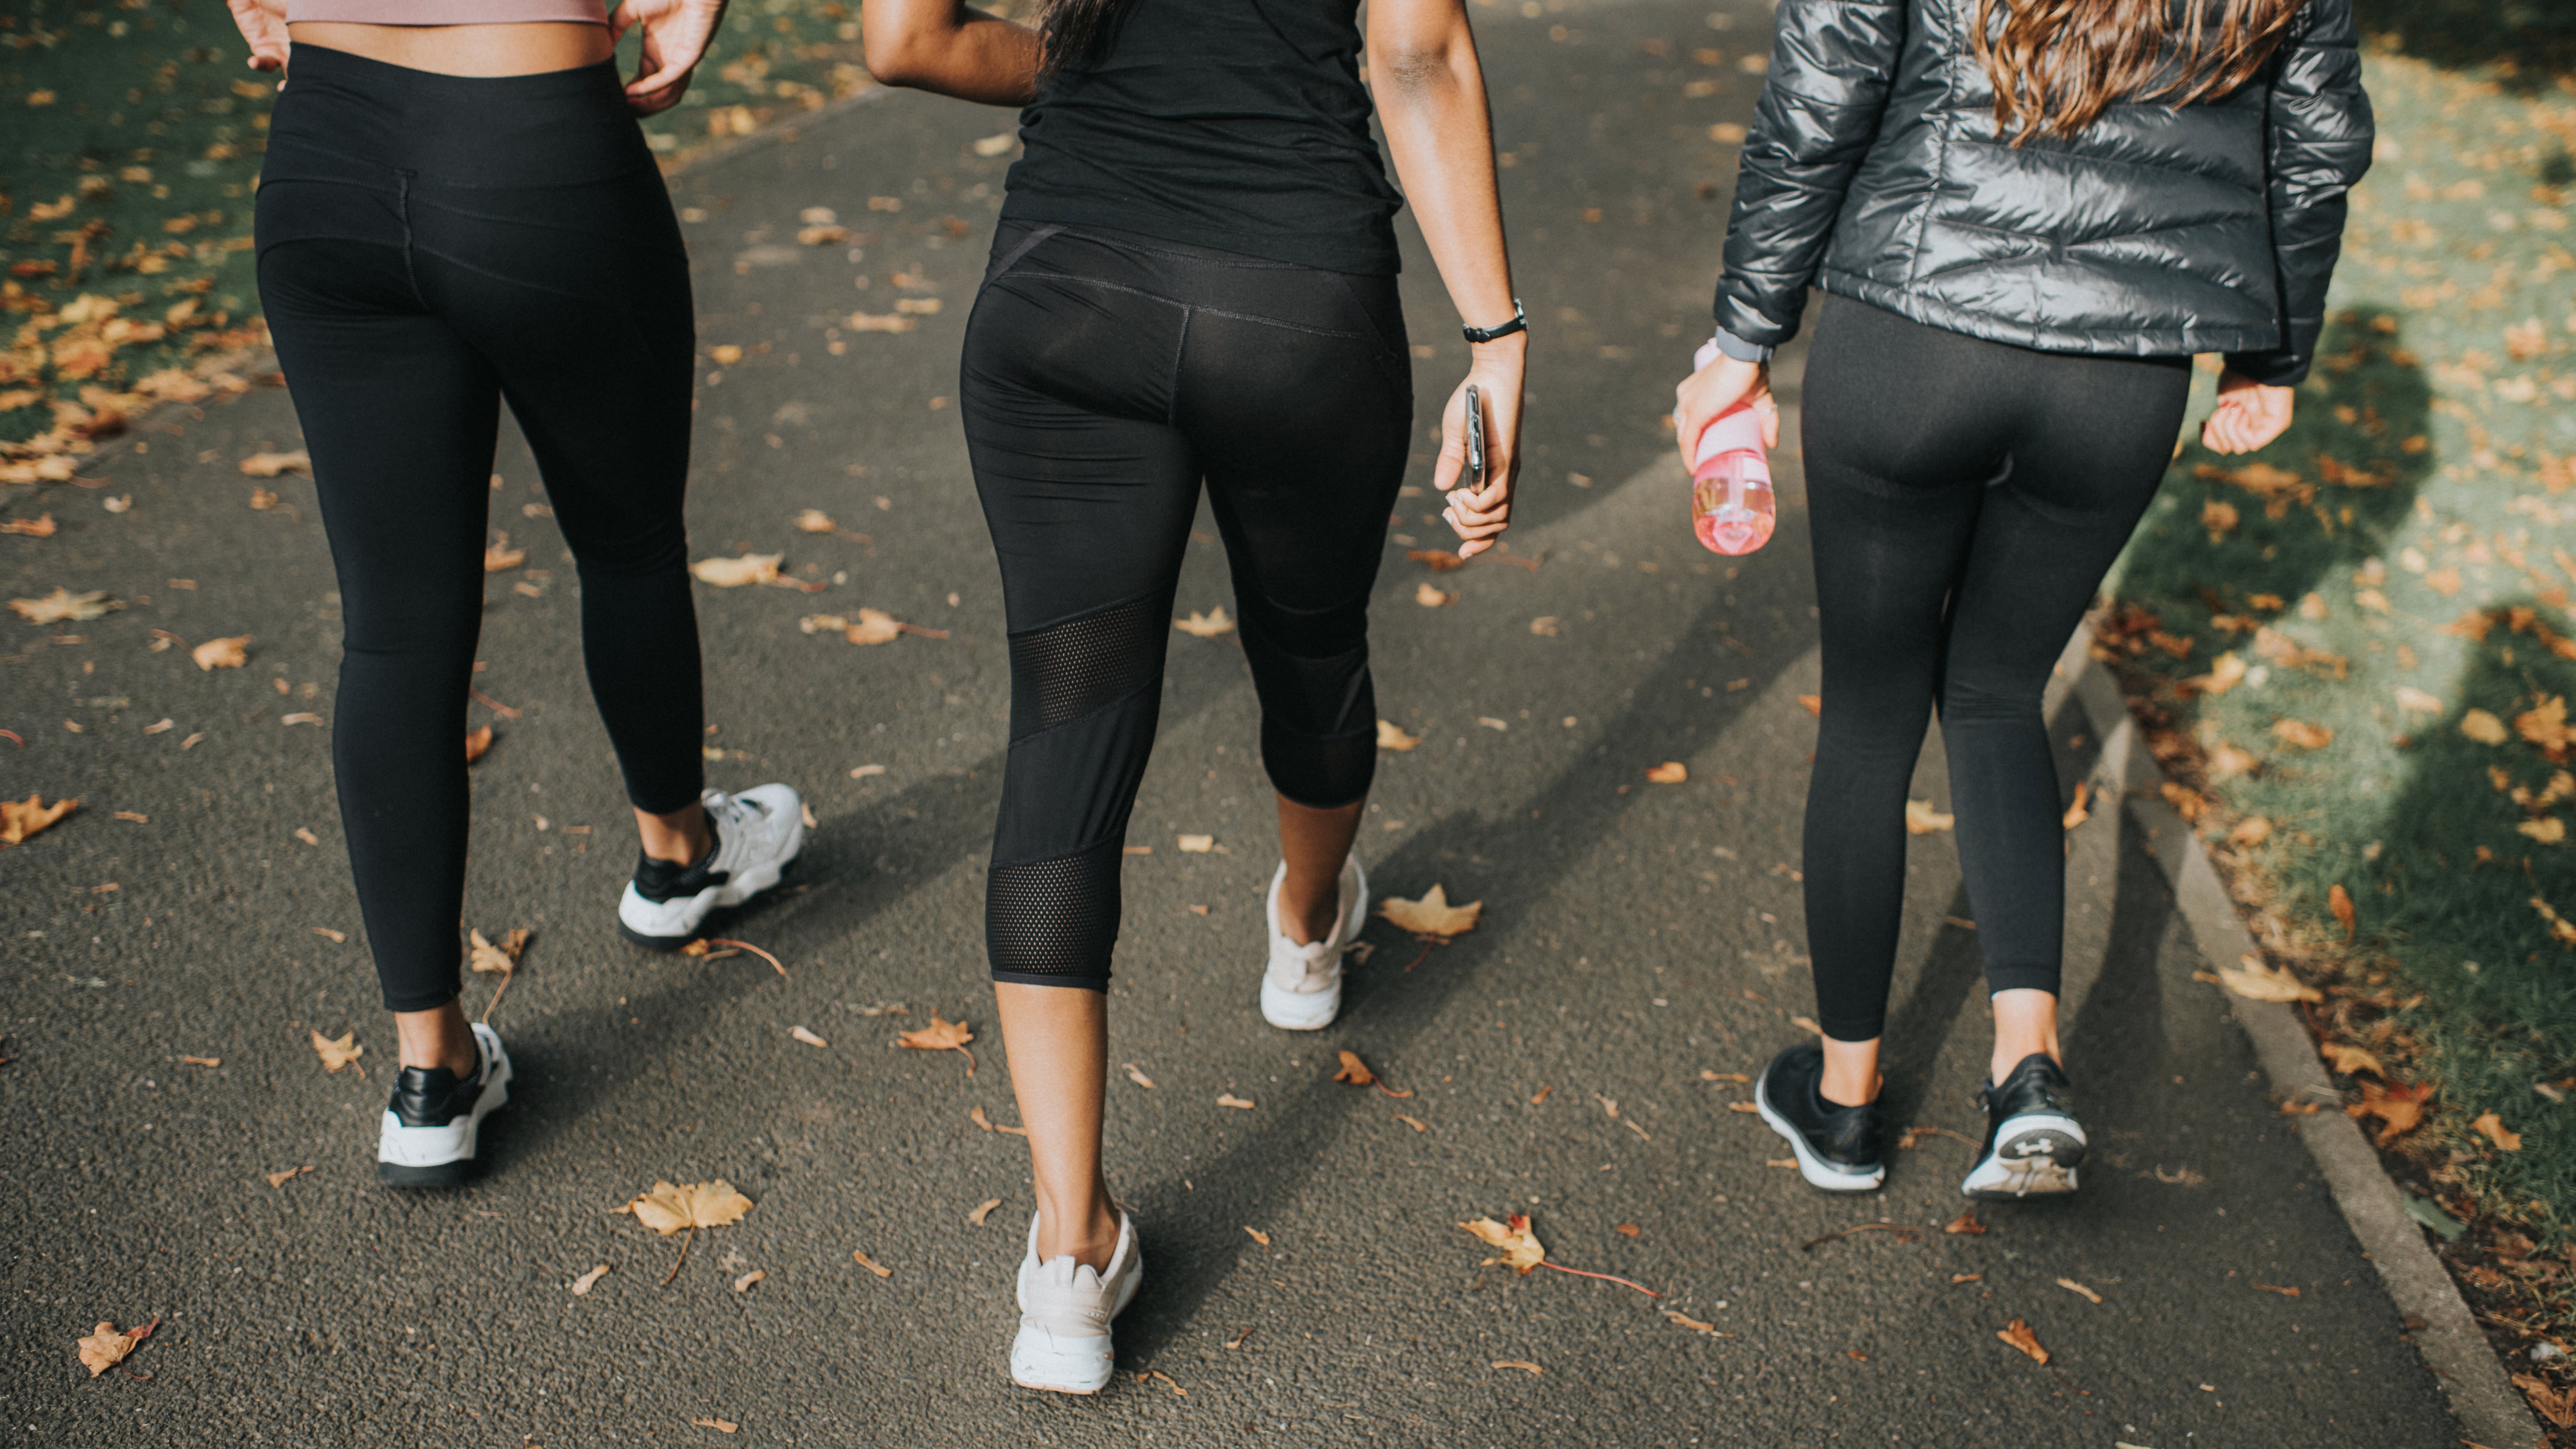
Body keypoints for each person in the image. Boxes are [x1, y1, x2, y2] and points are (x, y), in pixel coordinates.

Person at [865, 0, 1522, 1393]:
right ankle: (1304, 932)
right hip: (1298, 300)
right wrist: (1496, 336)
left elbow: (902, 40)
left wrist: (1099, 67)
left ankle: (1065, 1252)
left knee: (1064, 730)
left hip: (1064, 292)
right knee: (1310, 644)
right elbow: (1416, 50)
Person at [1676, 0, 2370, 1199]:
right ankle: (2027, 1076)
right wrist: (2272, 352)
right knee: (1998, 691)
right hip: (2123, 378)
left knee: (1871, 712)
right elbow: (2316, 140)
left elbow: (1822, 85)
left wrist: (1743, 337)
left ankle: (1844, 1108)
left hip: (1911, 334)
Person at [228, 0, 806, 1187]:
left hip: (325, 157)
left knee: (392, 636)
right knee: (628, 543)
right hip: (533, 145)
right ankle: (676, 857)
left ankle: (431, 1073)